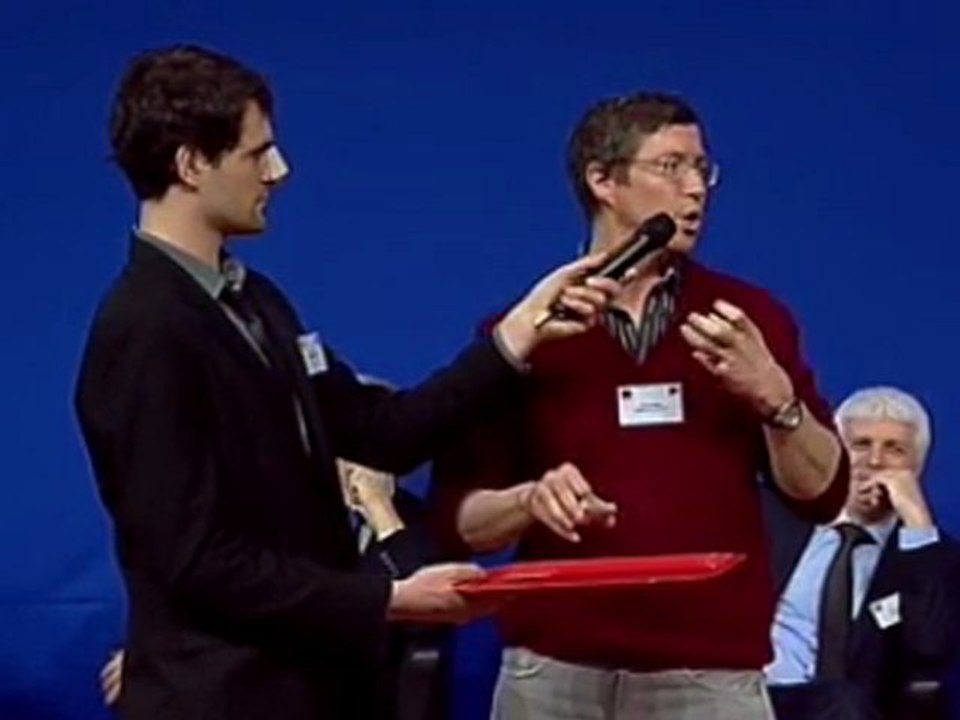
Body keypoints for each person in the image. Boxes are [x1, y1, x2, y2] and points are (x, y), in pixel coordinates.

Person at [75, 45, 619, 720]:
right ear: (191, 164)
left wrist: (514, 338)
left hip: (311, 691)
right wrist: (386, 599)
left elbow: (381, 432)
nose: (280, 171)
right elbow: (196, 561)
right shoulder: (142, 331)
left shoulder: (258, 303)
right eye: (257, 154)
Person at [429, 91, 850, 720]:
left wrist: (777, 399)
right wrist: (529, 501)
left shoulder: (749, 321)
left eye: (702, 170)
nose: (696, 190)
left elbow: (822, 494)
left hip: (711, 678)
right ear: (604, 181)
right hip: (554, 674)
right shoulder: (528, 330)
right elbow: (461, 521)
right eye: (671, 166)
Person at [764, 386, 960, 720]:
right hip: (753, 696)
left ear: (917, 467)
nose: (874, 461)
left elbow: (930, 649)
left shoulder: (932, 556)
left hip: (855, 710)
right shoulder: (772, 520)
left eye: (895, 450)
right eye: (860, 445)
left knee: (840, 701)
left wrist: (915, 519)